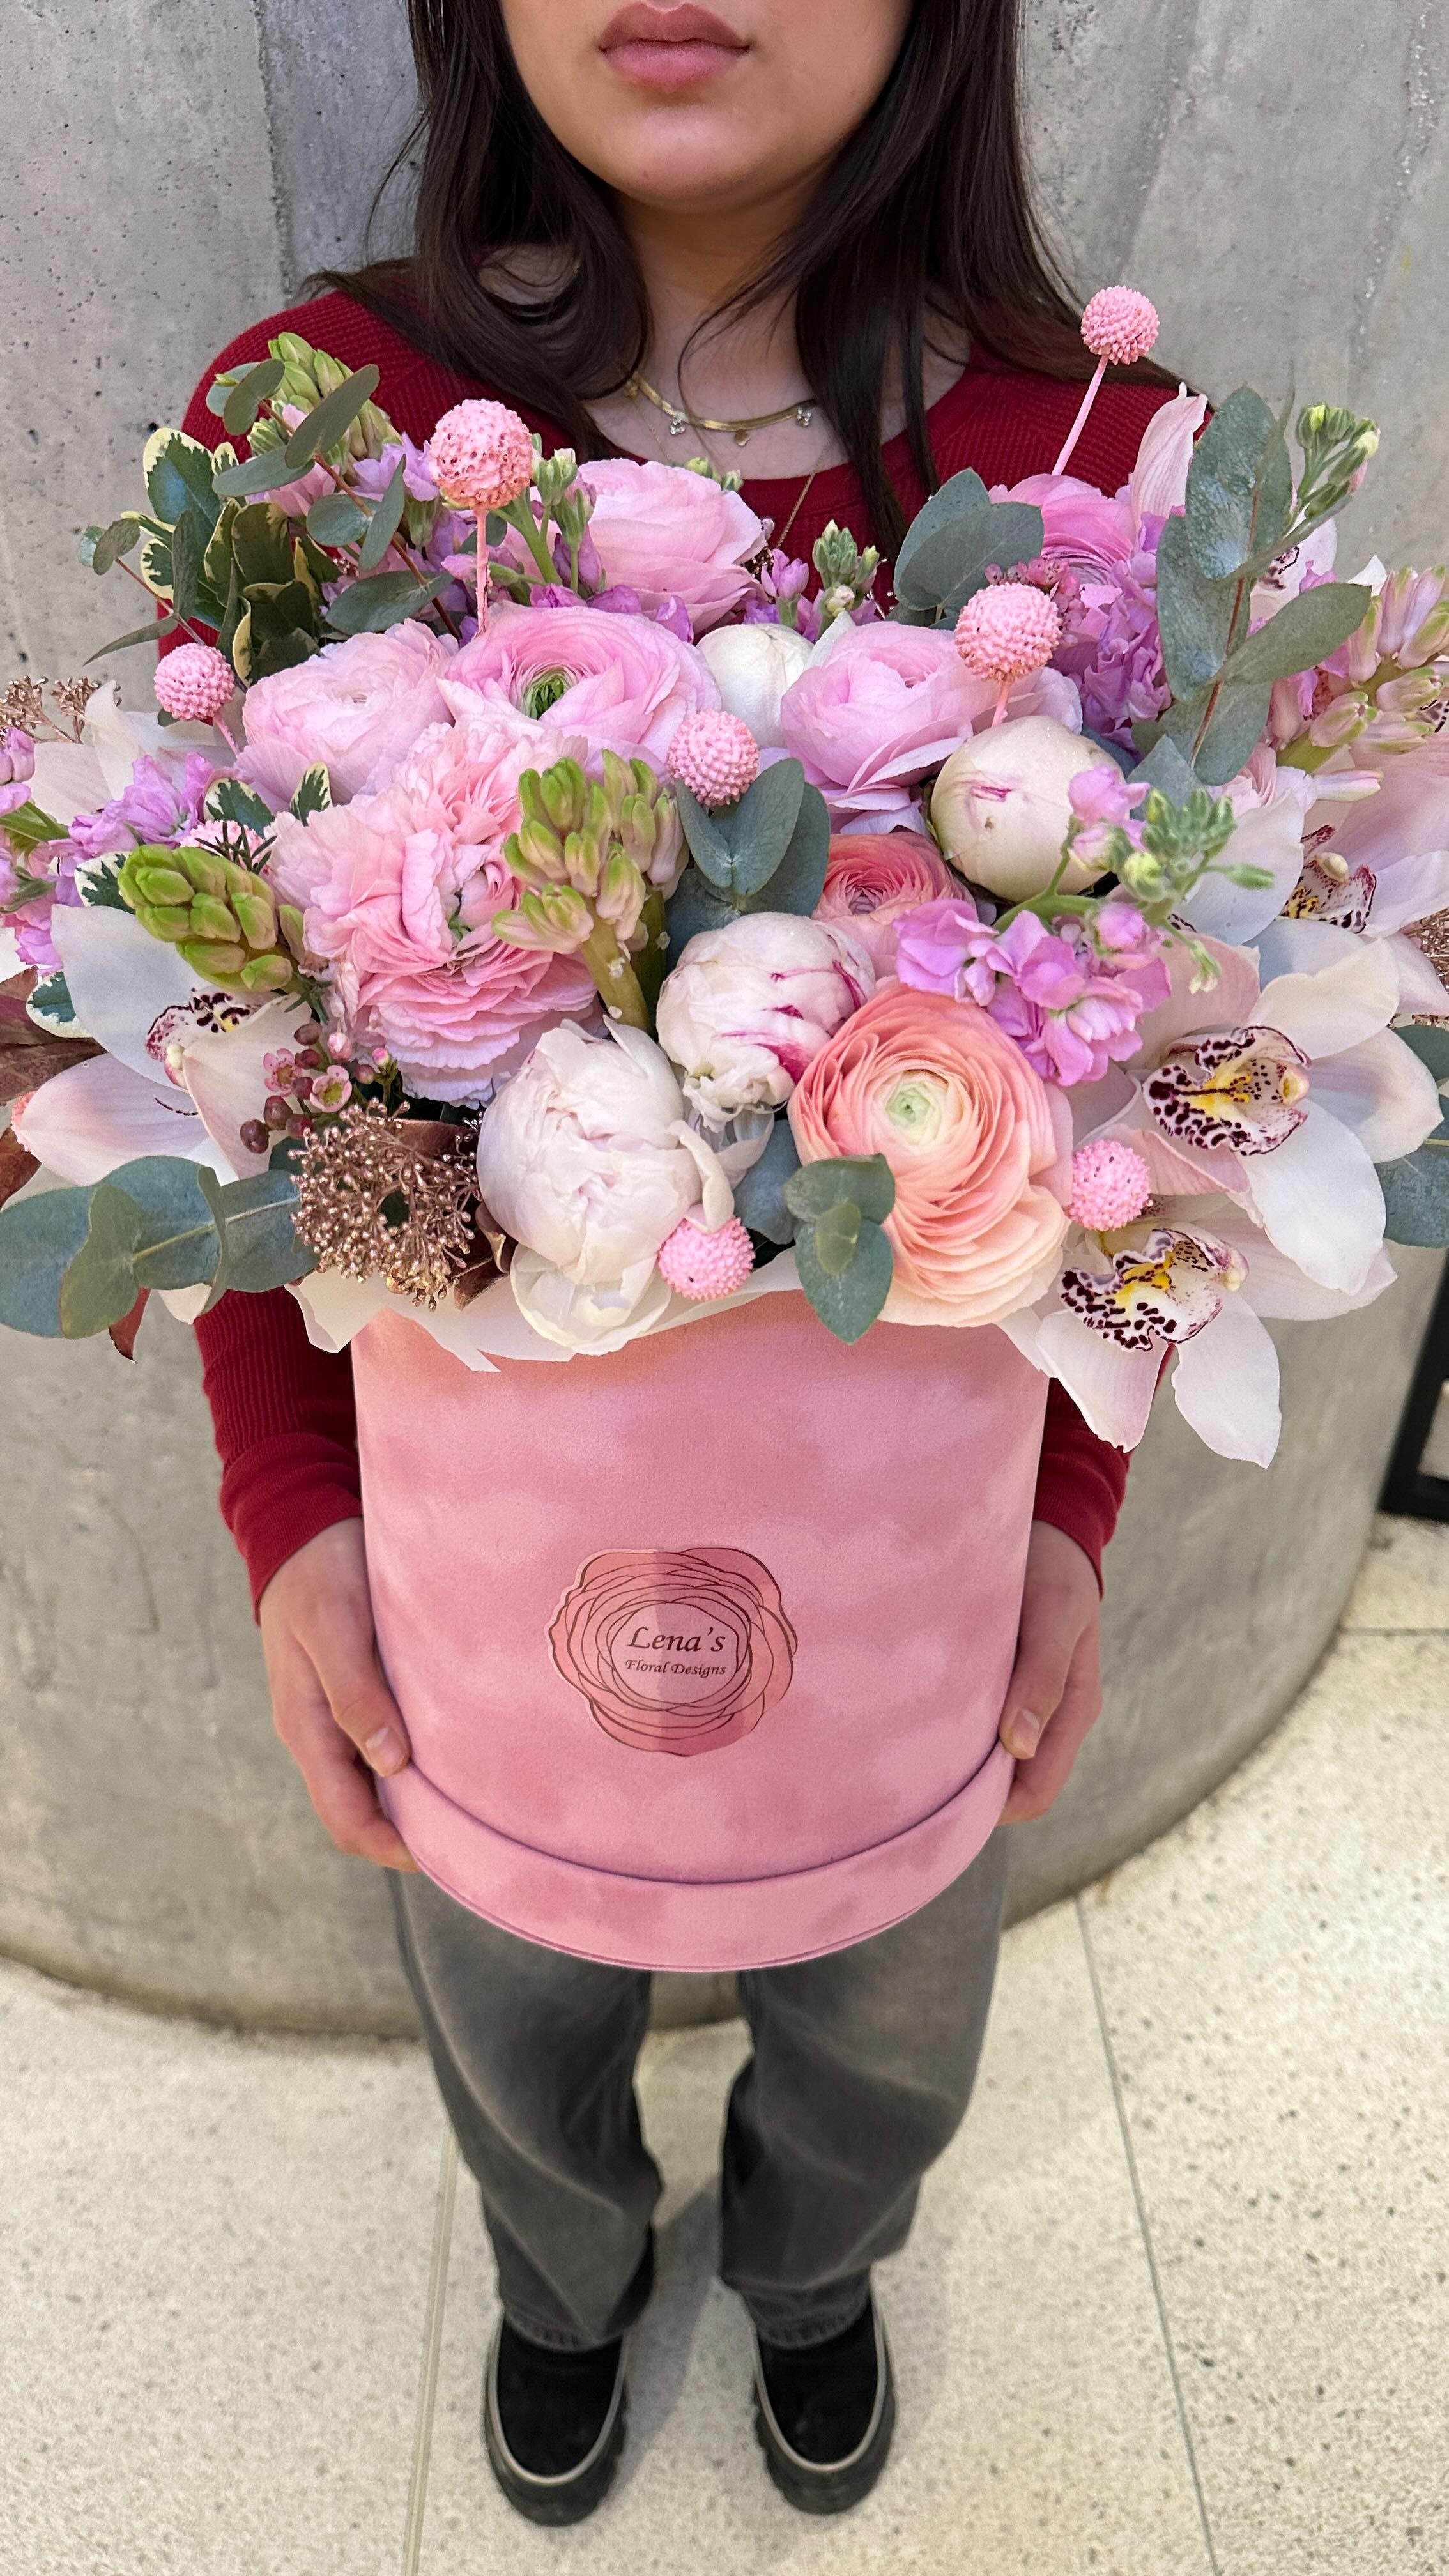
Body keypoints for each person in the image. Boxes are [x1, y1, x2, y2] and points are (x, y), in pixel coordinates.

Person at [184, 0, 1176, 2526]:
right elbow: (231, 1083)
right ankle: (564, 2288)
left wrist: (1070, 1523)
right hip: (476, 1585)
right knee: (504, 1997)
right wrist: (295, 1517)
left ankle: (817, 2266)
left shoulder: (1086, 476)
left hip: (919, 1590)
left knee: (893, 2027)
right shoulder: (308, 435)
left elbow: (1179, 1132)